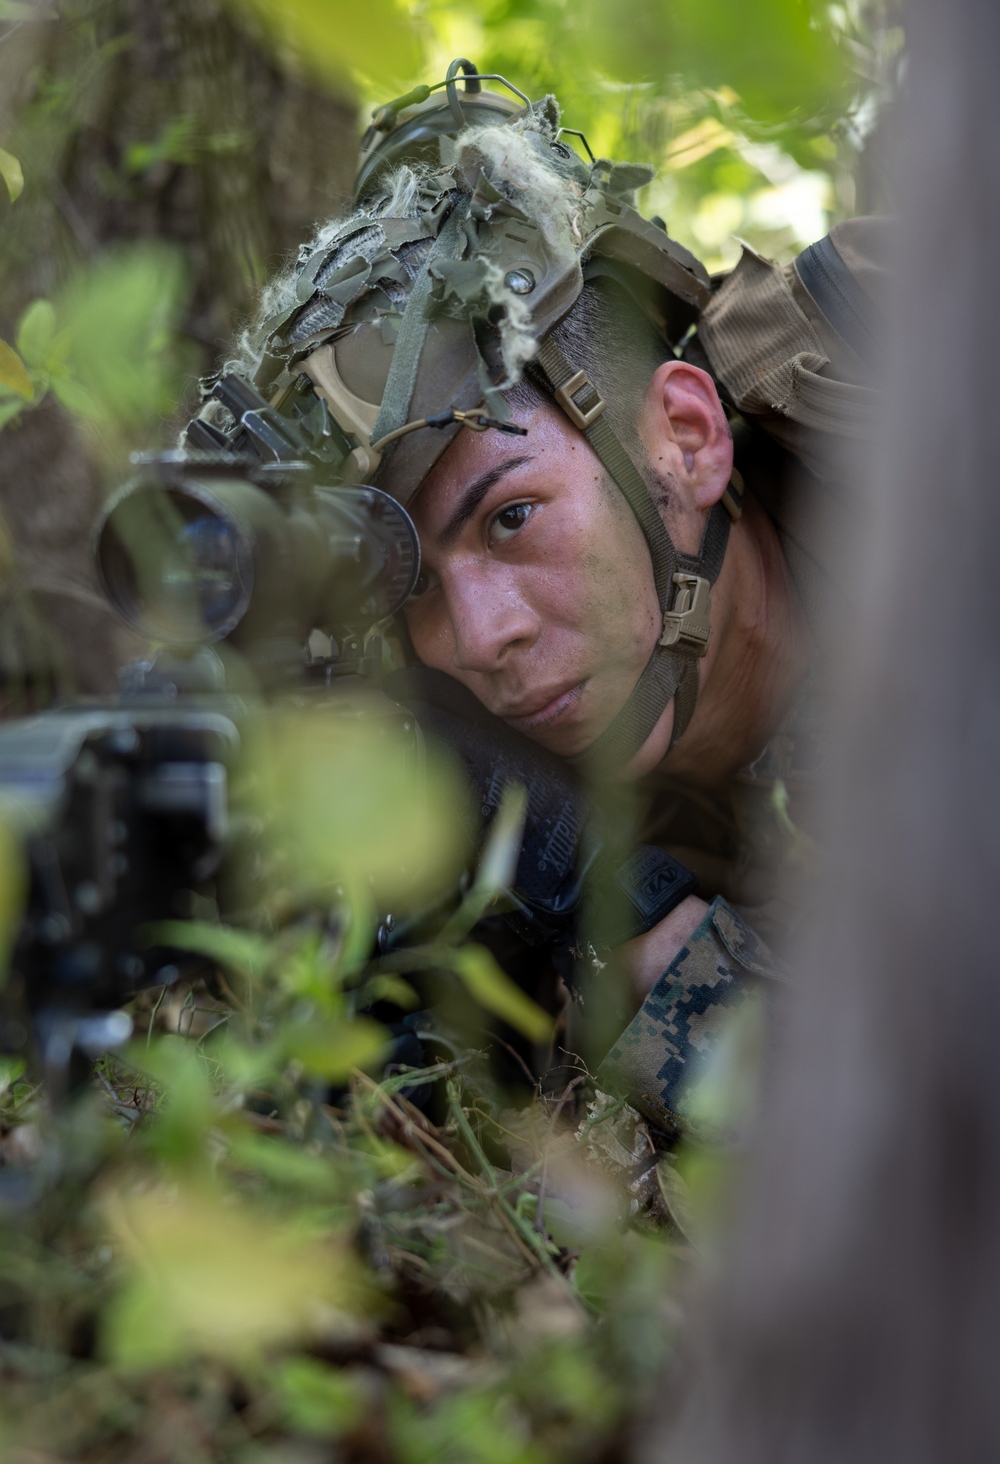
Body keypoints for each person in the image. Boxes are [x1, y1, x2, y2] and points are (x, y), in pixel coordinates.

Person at [192, 67, 883, 1137]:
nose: (479, 636)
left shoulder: (923, 460)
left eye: (510, 517)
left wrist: (623, 909)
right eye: (412, 578)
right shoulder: (456, 753)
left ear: (687, 439)